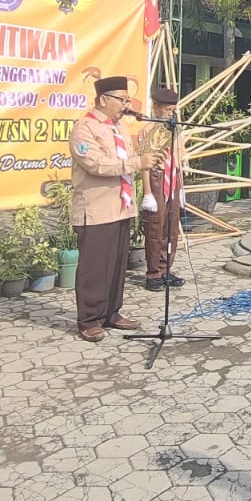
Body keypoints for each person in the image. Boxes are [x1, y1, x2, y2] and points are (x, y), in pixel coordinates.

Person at [69, 76, 162, 339]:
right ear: (103, 99)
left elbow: (130, 159)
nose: (126, 105)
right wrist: (136, 163)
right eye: (121, 99)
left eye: (127, 99)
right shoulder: (84, 129)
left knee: (117, 265)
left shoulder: (118, 127)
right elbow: (95, 164)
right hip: (96, 209)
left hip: (122, 207)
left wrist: (148, 159)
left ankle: (111, 312)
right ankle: (89, 319)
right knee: (95, 267)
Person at [139, 85, 186, 293]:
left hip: (173, 179)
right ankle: (153, 273)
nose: (170, 113)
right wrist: (147, 193)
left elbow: (180, 157)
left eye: (173, 110)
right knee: (155, 228)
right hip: (156, 179)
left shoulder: (175, 128)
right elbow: (144, 164)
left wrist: (181, 186)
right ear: (155, 107)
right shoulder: (148, 130)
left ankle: (166, 268)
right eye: (167, 109)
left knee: (171, 228)